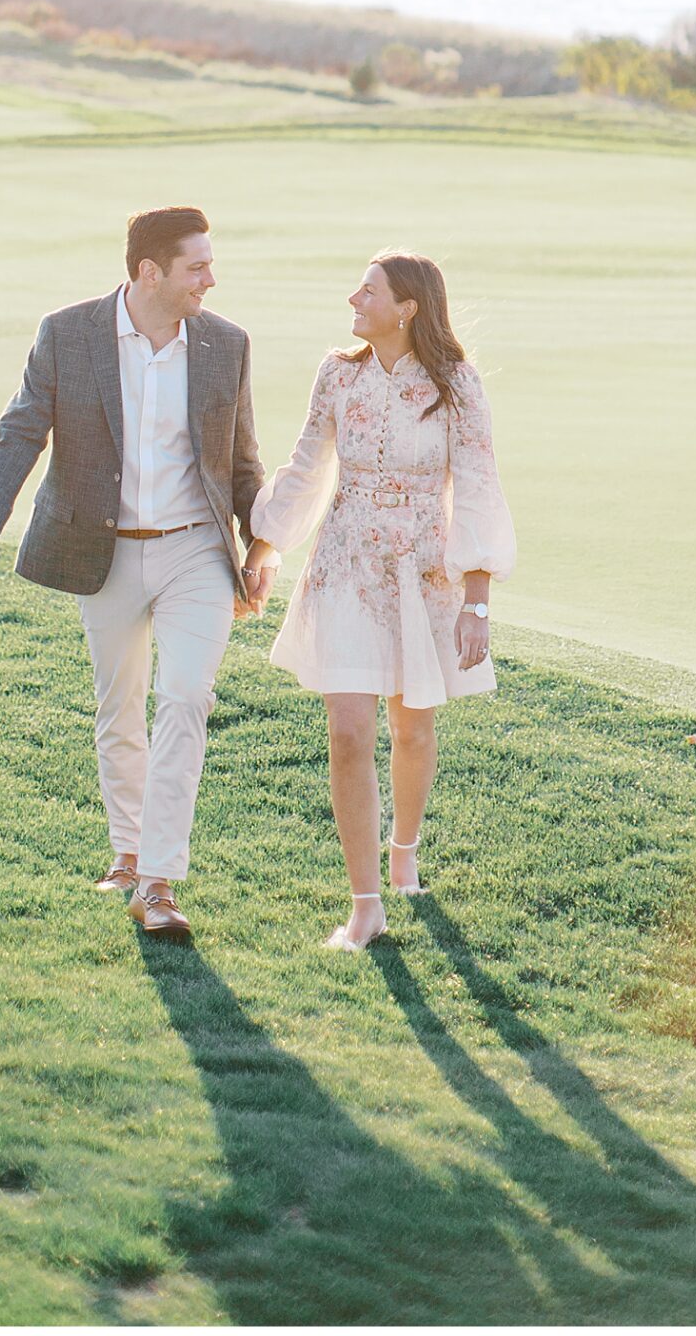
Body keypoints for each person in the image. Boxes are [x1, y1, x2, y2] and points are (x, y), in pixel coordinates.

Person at [0, 205, 267, 943]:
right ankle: (127, 854)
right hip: (105, 549)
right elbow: (20, 432)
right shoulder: (68, 333)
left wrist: (260, 548)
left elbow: (243, 461)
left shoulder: (226, 344)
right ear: (148, 272)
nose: (210, 280)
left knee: (185, 698)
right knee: (119, 709)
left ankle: (157, 882)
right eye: (196, 267)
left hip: (196, 550)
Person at [244, 252, 517, 949]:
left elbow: (478, 483)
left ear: (406, 308)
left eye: (367, 292)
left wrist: (476, 600)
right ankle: (365, 905)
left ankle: (404, 853)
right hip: (346, 565)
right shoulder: (338, 373)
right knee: (347, 732)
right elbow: (306, 465)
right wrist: (264, 548)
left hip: (425, 573)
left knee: (413, 729)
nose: (352, 299)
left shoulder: (456, 382)